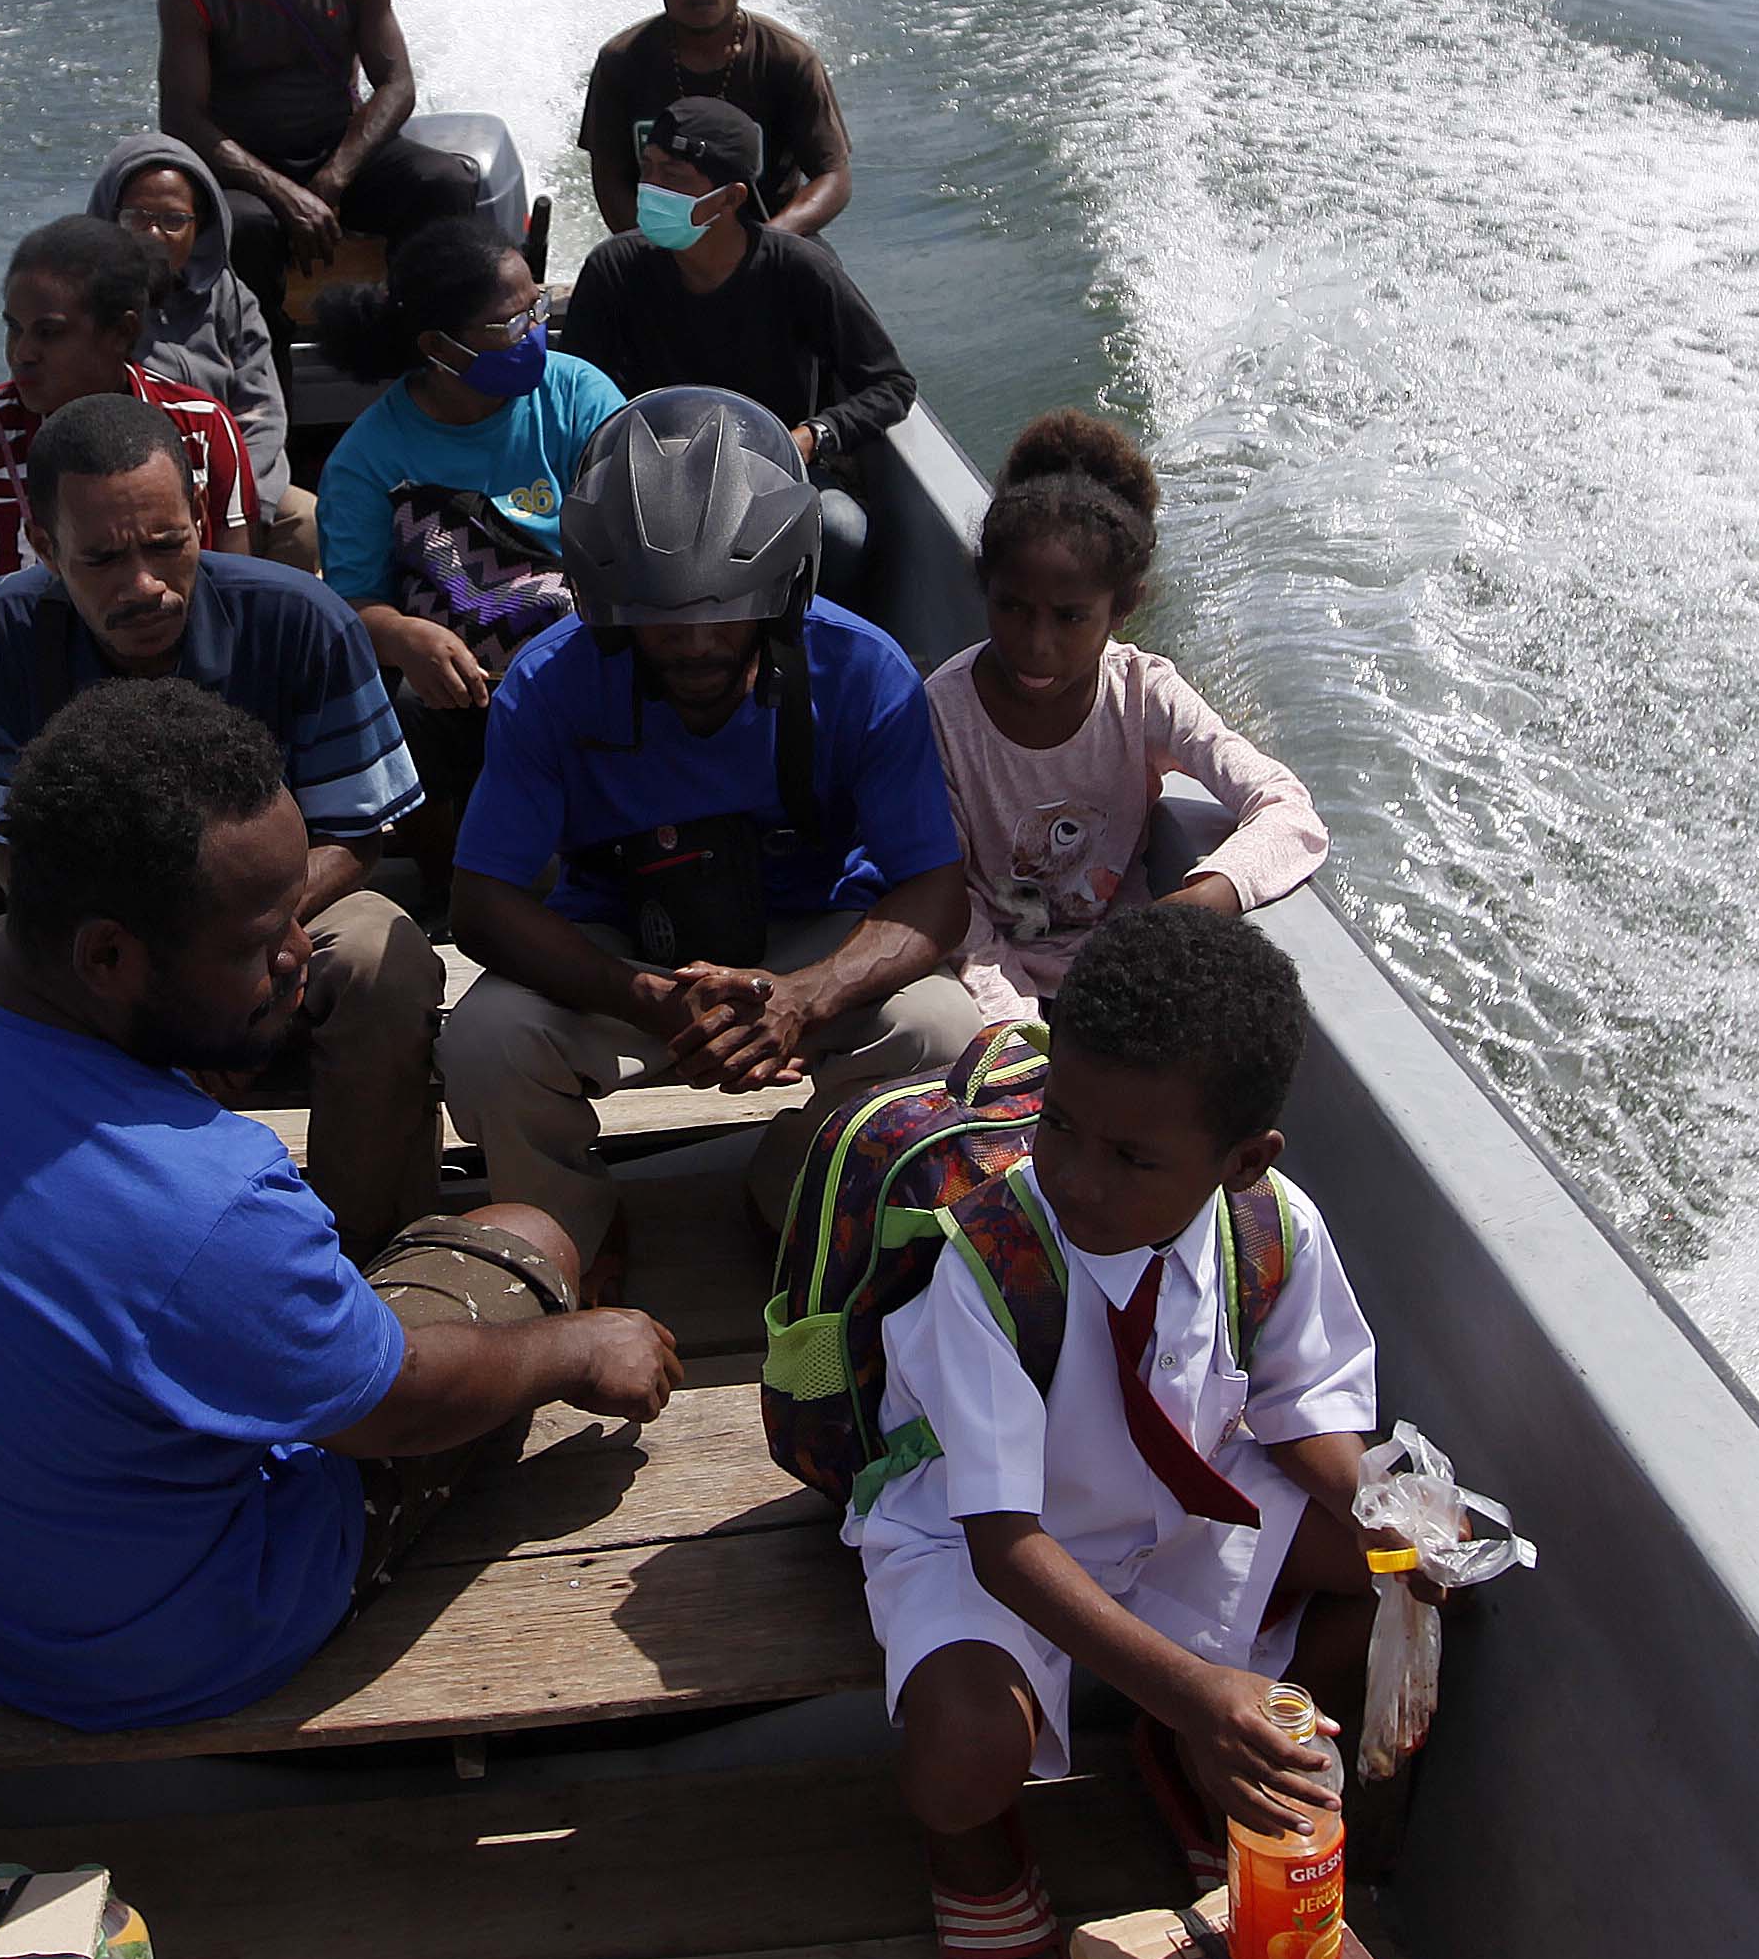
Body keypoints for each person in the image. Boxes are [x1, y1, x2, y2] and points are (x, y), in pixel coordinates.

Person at [0, 678, 682, 1734]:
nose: (300, 956)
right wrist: (574, 1349)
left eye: (300, 912)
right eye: (258, 943)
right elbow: (398, 1408)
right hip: (153, 1650)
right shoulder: (205, 1199)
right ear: (107, 956)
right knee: (524, 1236)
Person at [857, 907, 1381, 1959]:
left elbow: (1302, 1416)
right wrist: (1199, 1692)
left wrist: (1392, 1512)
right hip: (997, 1537)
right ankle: (982, 1852)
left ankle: (1202, 1763)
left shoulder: (1273, 1226)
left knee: (1386, 1580)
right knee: (965, 1742)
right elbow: (1005, 1548)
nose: (1081, 1180)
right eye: (1063, 1130)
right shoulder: (992, 1260)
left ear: (1244, 1161)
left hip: (1181, 1516)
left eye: (1133, 1157)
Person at [435, 387, 981, 1279]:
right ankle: (565, 1228)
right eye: (660, 620)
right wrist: (642, 996)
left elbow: (935, 891)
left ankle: (802, 1186)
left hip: (803, 935)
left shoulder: (862, 672)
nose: (694, 645)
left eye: (725, 612)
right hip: (622, 947)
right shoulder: (548, 685)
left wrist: (807, 995)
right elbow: (483, 903)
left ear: (784, 591)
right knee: (487, 1041)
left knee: (939, 1030)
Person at [0, 395, 443, 1249]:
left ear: (203, 521)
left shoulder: (302, 621)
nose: (144, 584)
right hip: (99, 938)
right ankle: (66, 1251)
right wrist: (165, 983)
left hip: (289, 911)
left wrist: (223, 955)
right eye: (102, 558)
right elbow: (12, 859)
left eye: (168, 546)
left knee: (383, 966)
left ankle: (351, 1257)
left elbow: (357, 834)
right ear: (43, 547)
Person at [0, 216, 266, 898]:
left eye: (49, 332)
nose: (21, 354)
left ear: (122, 332)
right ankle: (53, 921)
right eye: (13, 329)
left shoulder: (201, 429)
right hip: (38, 702)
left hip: (181, 689)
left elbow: (235, 602)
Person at [923, 413, 1329, 1000]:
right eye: (1012, 608)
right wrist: (1015, 1027)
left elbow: (1289, 809)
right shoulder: (944, 714)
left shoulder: (1143, 694)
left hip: (1117, 973)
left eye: (1070, 617)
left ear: (1121, 609)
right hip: (981, 976)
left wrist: (1200, 900)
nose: (1037, 646)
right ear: (986, 587)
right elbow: (951, 900)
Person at [310, 211, 627, 837]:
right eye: (510, 325)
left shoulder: (578, 395)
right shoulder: (367, 459)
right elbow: (354, 602)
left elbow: (636, 528)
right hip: (464, 678)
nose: (535, 332)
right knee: (400, 711)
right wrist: (404, 637)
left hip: (591, 645)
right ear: (437, 347)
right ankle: (443, 878)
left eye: (537, 309)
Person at [551, 94, 915, 592]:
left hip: (770, 475)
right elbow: (573, 398)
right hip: (651, 480)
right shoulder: (612, 269)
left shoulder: (799, 269)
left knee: (842, 530)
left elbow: (891, 384)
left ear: (729, 198)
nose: (651, 190)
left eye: (674, 178)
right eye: (648, 169)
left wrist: (814, 435)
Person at [159, 0, 492, 314]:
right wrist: (282, 192)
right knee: (246, 228)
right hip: (245, 171)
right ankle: (263, 382)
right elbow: (183, 118)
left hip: (340, 154)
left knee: (443, 182)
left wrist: (336, 176)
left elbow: (396, 84)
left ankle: (424, 349)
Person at [88, 131, 306, 568]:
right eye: (137, 218)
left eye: (173, 221)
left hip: (232, 479)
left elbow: (261, 412)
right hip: (132, 489)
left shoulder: (230, 297)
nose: (154, 234)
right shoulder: (87, 307)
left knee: (305, 522)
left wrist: (241, 501)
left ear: (200, 227)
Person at [575, 0, 850, 240]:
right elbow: (609, 176)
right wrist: (655, 247)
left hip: (771, 243)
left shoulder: (787, 59)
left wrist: (772, 239)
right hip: (657, 247)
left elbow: (833, 176)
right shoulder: (621, 61)